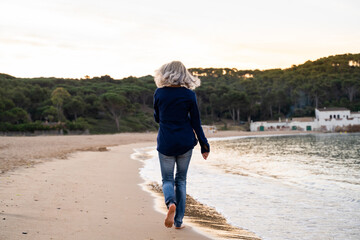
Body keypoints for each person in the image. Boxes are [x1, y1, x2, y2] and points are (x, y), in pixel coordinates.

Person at [153, 61, 210, 229]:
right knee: (182, 180)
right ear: (184, 74)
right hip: (185, 142)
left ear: (164, 73)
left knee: (167, 179)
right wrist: (204, 145)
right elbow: (196, 122)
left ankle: (171, 203)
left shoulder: (159, 93)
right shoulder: (189, 95)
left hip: (166, 142)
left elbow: (157, 117)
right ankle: (178, 222)